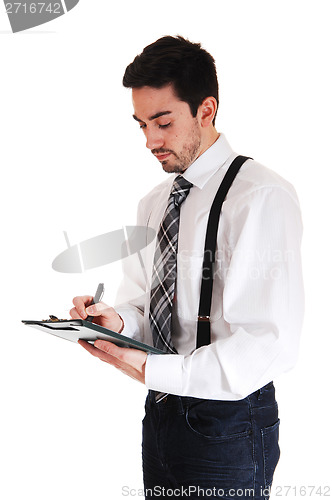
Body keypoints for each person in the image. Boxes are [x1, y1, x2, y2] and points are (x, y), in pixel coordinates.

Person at [70, 36, 304, 499]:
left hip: (228, 425)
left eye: (163, 121)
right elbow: (148, 301)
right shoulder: (156, 202)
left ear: (206, 109)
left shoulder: (259, 196)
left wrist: (152, 370)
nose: (150, 141)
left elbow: (267, 342)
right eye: (141, 125)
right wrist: (116, 320)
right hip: (159, 414)